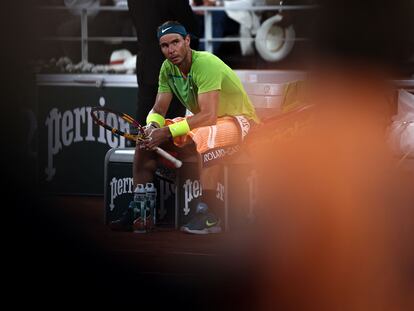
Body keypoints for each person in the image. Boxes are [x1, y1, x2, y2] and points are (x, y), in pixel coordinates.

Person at [110, 20, 259, 234]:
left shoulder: (205, 63)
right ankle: (141, 211)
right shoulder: (167, 68)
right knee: (144, 143)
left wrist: (167, 131)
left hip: (241, 120)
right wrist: (152, 126)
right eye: (164, 46)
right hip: (208, 120)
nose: (171, 50)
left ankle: (209, 215)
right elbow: (159, 109)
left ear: (187, 41)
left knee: (206, 134)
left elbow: (208, 116)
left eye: (175, 42)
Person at [126, 0, 200, 125]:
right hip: (173, 67)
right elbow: (191, 27)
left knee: (144, 121)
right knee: (171, 124)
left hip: (147, 66)